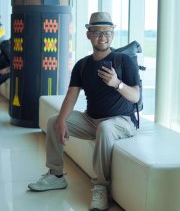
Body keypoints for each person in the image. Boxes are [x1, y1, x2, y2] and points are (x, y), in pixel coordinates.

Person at [28, 12, 141, 211]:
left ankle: (101, 188)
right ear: (88, 34)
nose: (103, 36)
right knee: (55, 121)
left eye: (108, 32)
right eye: (97, 32)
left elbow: (135, 96)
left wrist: (117, 84)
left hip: (122, 121)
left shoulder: (124, 61)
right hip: (92, 120)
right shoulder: (82, 65)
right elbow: (71, 96)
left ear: (113, 34)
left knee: (105, 128)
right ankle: (55, 175)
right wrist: (63, 120)